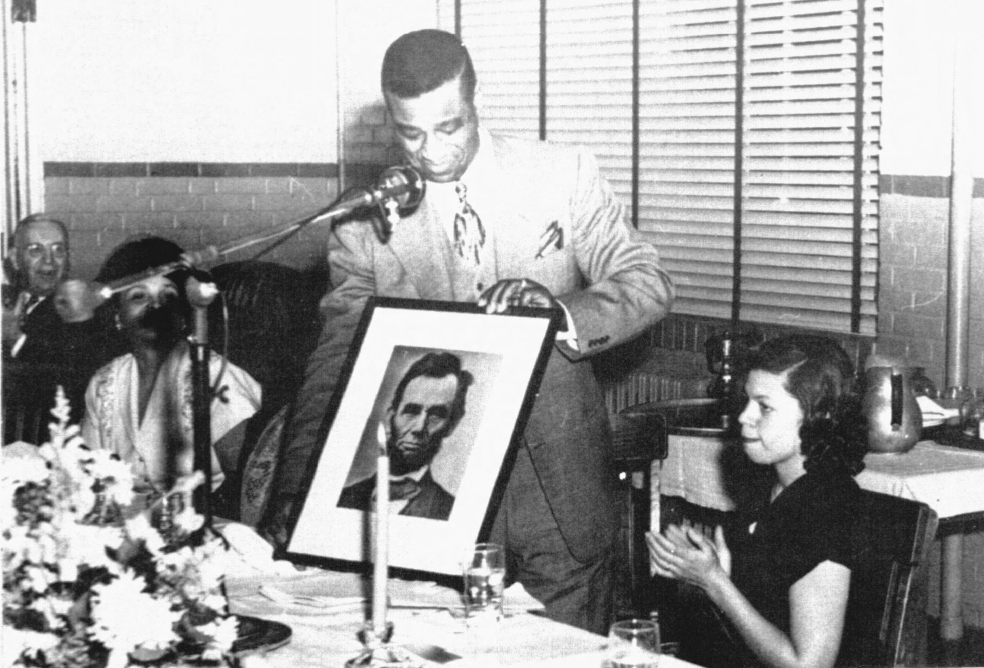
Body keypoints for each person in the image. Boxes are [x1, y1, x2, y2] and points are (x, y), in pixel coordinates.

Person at [262, 29, 673, 633]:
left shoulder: (560, 172)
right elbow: (335, 364)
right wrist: (299, 491)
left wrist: (559, 312)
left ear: (476, 100)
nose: (429, 152)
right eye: (410, 133)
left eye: (448, 127)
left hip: (555, 487)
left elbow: (647, 281)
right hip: (432, 506)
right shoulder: (363, 220)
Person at [646, 334, 868, 668]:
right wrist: (718, 570)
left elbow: (807, 665)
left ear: (814, 416)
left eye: (763, 406)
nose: (744, 417)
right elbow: (769, 601)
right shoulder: (775, 486)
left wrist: (716, 582)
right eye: (747, 401)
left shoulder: (826, 505)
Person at [81, 236, 262, 501]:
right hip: (128, 527)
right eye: (138, 296)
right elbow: (89, 477)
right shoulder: (103, 383)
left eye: (168, 295)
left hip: (205, 521)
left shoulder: (213, 375)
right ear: (117, 315)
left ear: (183, 313)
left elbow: (253, 477)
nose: (155, 305)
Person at [2, 214, 117, 443]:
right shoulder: (7, 300)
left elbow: (71, 385)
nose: (49, 262)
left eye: (58, 250)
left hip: (45, 452)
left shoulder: (87, 312)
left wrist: (16, 339)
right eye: (35, 250)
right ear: (15, 259)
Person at [338, 351, 472, 521]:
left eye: (436, 415)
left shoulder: (453, 513)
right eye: (411, 411)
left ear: (451, 426)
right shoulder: (344, 498)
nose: (419, 427)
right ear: (390, 417)